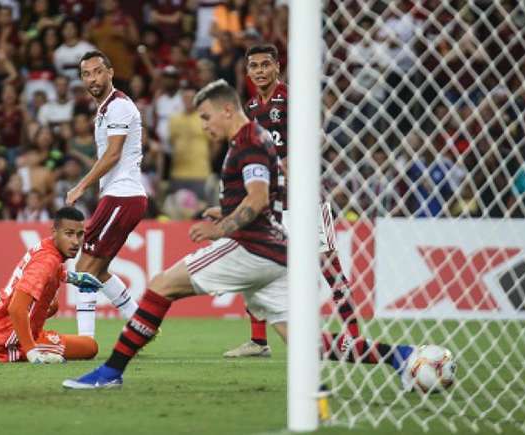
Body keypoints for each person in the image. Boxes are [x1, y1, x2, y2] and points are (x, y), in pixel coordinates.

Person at [62, 79, 289, 389]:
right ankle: (376, 355)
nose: (204, 126)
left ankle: (109, 372)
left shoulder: (248, 140)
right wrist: (223, 213)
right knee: (306, 343)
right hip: (276, 252)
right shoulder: (254, 138)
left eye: (207, 117)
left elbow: (258, 198)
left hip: (251, 247)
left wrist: (219, 228)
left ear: (226, 109)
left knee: (160, 287)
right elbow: (260, 197)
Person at [225, 44, 413, 369]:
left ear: (277, 67)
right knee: (256, 259)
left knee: (328, 264)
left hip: (306, 195)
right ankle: (258, 341)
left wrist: (289, 161)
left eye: (265, 65)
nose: (259, 71)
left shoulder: (294, 99)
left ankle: (353, 335)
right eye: (253, 66)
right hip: (272, 201)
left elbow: (319, 137)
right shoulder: (252, 107)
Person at [64, 50, 146, 339]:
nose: (93, 78)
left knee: (84, 267)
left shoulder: (119, 107)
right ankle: (139, 325)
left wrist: (81, 186)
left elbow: (113, 155)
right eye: (86, 74)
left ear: (110, 72)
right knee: (97, 270)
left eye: (98, 71)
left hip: (122, 195)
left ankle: (85, 341)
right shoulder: (105, 109)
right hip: (120, 197)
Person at [0, 207, 102, 363]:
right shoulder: (47, 262)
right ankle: (4, 348)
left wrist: (74, 278)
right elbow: (16, 308)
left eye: (80, 234)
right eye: (69, 234)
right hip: (6, 335)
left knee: (52, 305)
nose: (76, 242)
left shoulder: (47, 247)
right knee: (90, 347)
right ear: (54, 232)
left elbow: (52, 271)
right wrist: (31, 352)